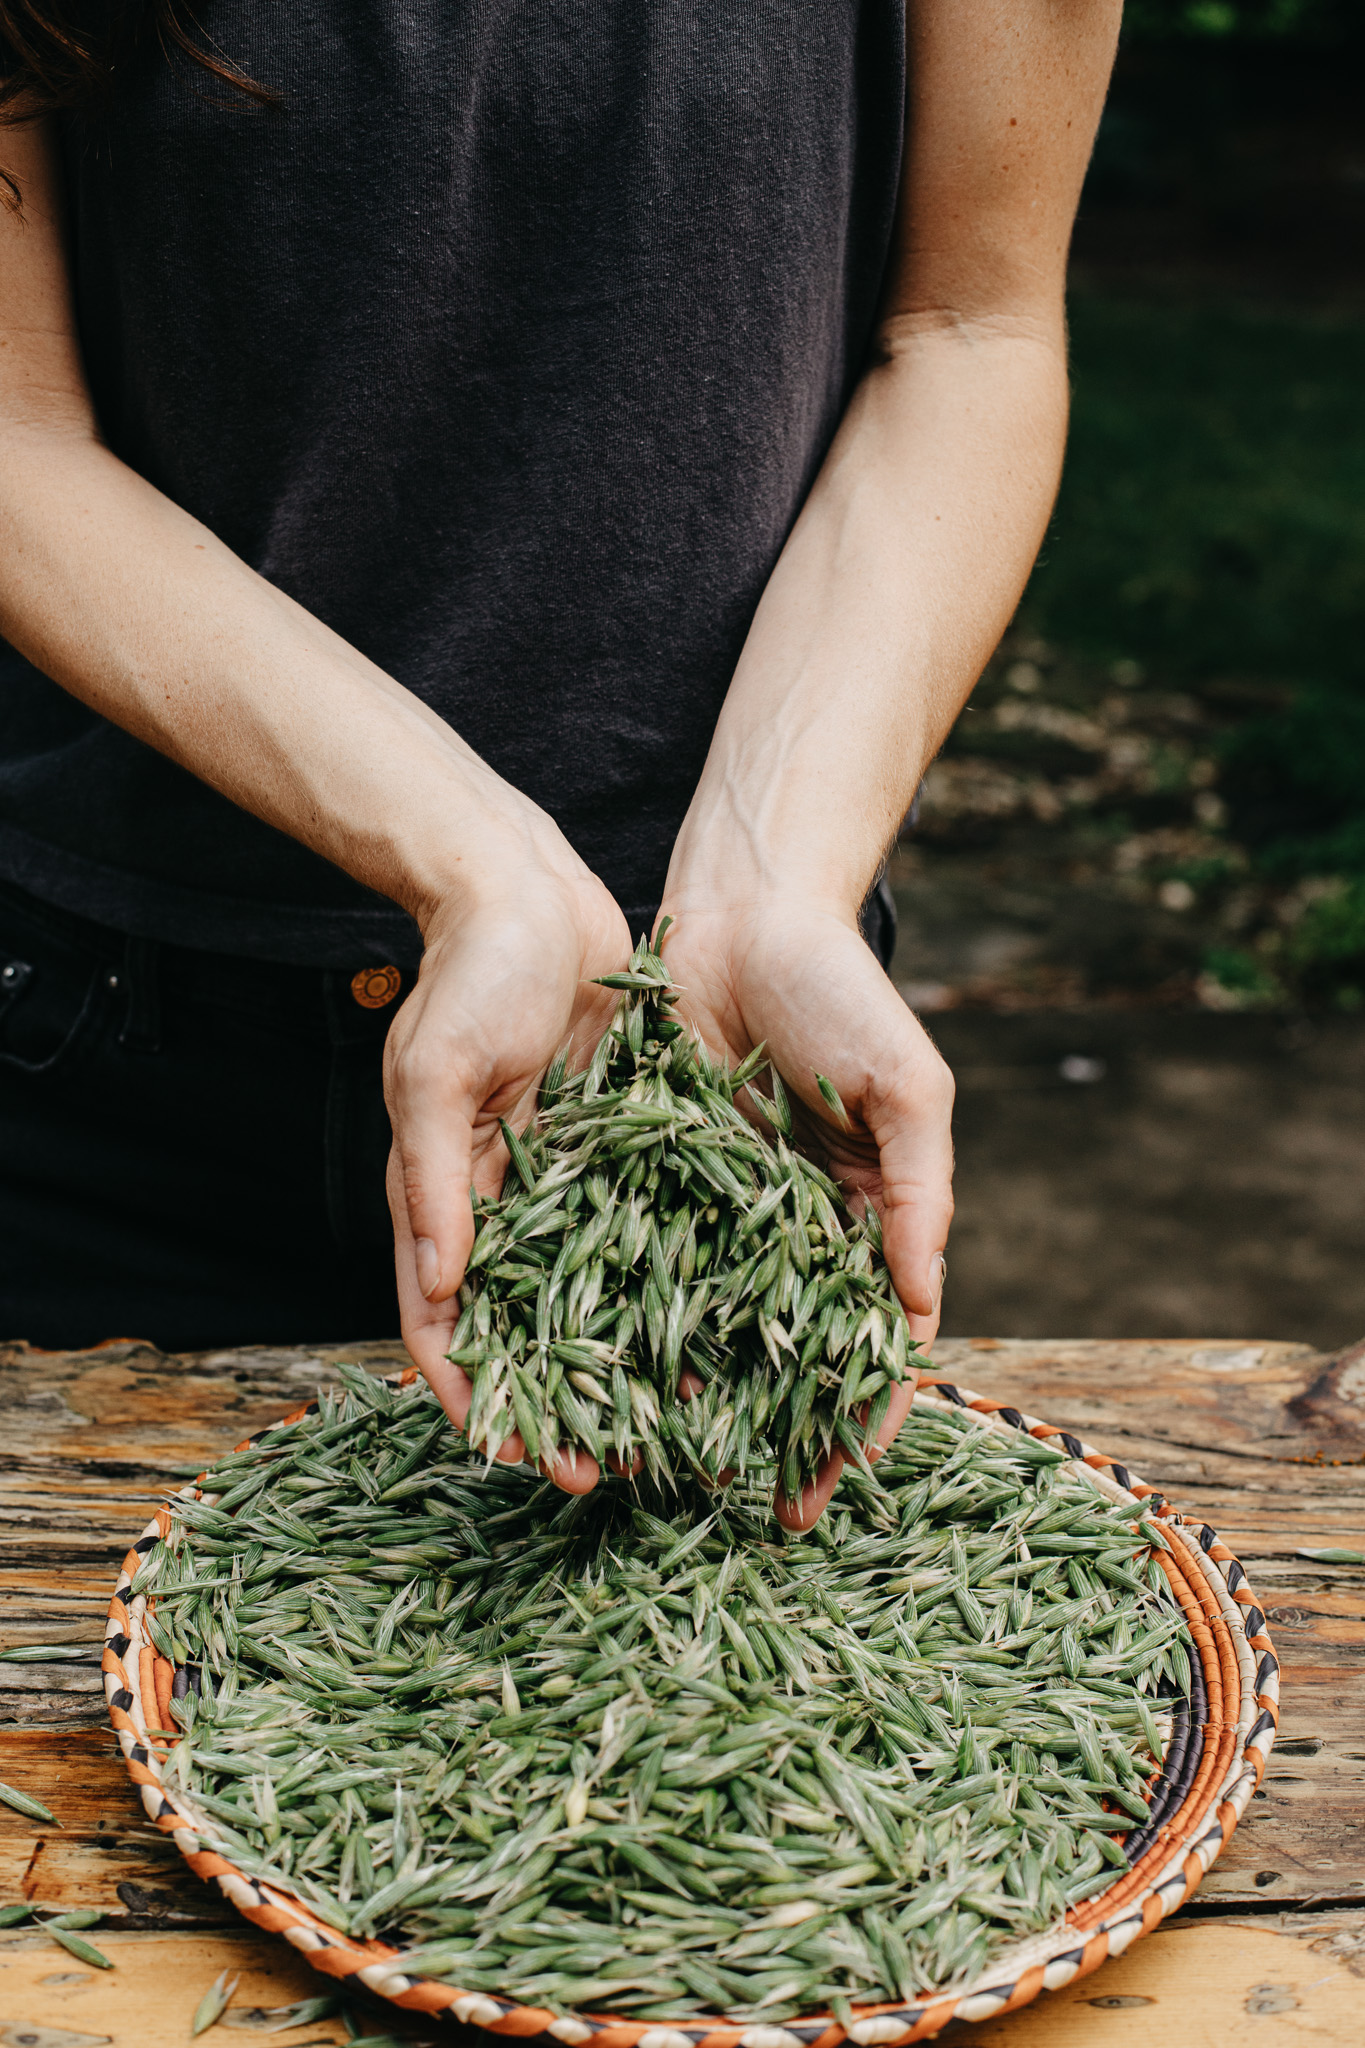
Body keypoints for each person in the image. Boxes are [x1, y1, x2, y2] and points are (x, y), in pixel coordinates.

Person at [0, 0, 1122, 1525]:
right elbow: (17, 423)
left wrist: (768, 875)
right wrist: (481, 866)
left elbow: (967, 330)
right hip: (122, 1047)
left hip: (713, 1067)